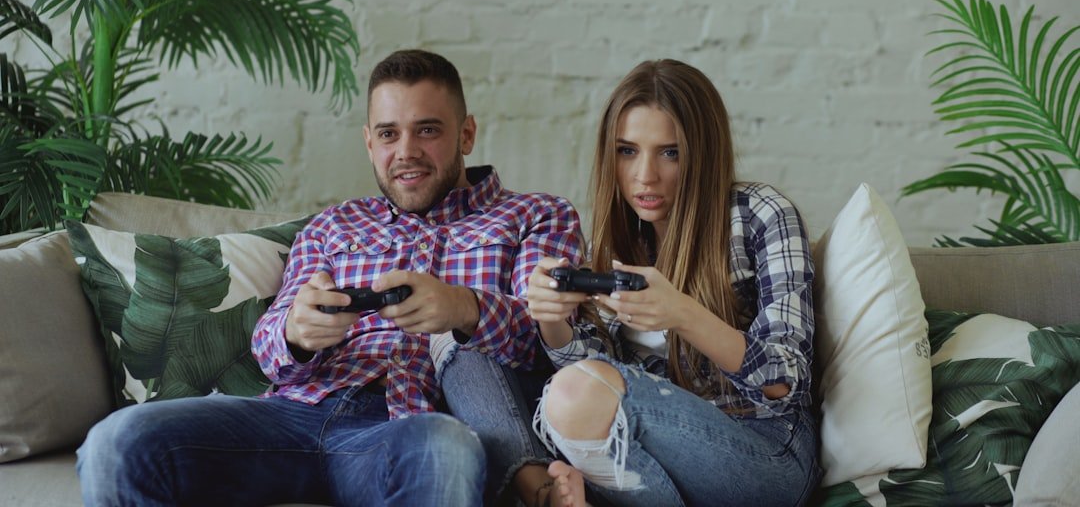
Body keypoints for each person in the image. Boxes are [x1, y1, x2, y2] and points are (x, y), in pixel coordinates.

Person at [76, 49, 583, 507]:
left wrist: (464, 308)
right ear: (369, 142)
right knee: (117, 444)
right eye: (388, 133)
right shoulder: (334, 225)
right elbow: (271, 355)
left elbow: (553, 349)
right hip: (291, 416)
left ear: (466, 133)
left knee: (447, 451)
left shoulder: (536, 216)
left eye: (427, 129)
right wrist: (297, 333)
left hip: (405, 431)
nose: (405, 150)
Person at [526, 59, 822, 507]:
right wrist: (553, 322)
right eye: (627, 151)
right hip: (665, 449)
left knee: (573, 395)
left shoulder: (761, 214)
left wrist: (682, 312)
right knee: (572, 395)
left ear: (702, 153)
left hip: (766, 448)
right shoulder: (618, 240)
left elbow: (789, 380)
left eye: (670, 152)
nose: (645, 175)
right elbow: (599, 373)